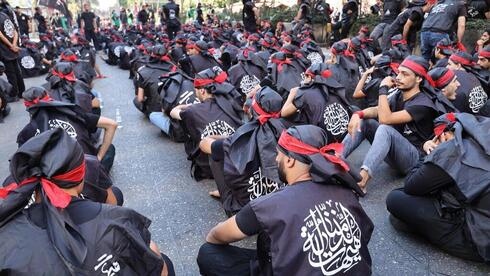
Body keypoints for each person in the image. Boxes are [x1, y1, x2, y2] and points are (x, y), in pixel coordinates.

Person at [197, 125, 374, 275]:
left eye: (278, 154)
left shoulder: (270, 204)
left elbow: (216, 236)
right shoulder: (345, 189)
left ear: (290, 161)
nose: (275, 158)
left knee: (208, 253)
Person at [0, 128, 174, 275]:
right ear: (81, 173)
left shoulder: (6, 231)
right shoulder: (115, 219)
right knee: (161, 259)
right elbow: (159, 269)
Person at [386, 112, 490, 262]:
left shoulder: (452, 150)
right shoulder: (483, 132)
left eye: (438, 139)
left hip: (478, 238)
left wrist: (431, 152)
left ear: (445, 135)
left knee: (395, 198)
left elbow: (411, 185)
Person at [342, 55, 454, 193]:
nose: (398, 77)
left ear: (419, 79)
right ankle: (337, 159)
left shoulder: (423, 104)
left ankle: (362, 181)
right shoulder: (400, 94)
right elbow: (377, 110)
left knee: (385, 129)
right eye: (399, 72)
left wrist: (383, 89)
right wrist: (358, 114)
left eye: (405, 74)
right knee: (366, 121)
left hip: (414, 159)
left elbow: (385, 119)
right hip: (395, 149)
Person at [200, 87, 285, 215]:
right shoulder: (289, 132)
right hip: (280, 201)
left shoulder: (236, 140)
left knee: (215, 152)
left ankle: (226, 192)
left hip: (245, 209)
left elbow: (204, 144)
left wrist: (229, 137)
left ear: (251, 110)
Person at [17, 87, 117, 172]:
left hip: (56, 182)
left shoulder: (26, 133)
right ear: (49, 96)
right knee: (109, 148)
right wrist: (98, 158)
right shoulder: (73, 112)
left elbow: (22, 163)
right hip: (86, 171)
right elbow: (112, 124)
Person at [170, 67, 243, 180]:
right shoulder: (232, 101)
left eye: (196, 90)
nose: (195, 93)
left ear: (202, 91)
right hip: (239, 162)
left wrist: (187, 106)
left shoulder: (192, 110)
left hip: (210, 168)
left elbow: (173, 112)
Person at [282, 62, 353, 142]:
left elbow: (284, 113)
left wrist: (292, 93)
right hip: (344, 136)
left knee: (282, 121)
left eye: (305, 76)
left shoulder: (305, 93)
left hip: (323, 139)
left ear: (309, 77)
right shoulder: (336, 88)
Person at [0, 4, 25, 99]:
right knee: (17, 71)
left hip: (4, 49)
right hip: (12, 48)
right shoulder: (4, 15)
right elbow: (15, 31)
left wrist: (11, 46)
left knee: (11, 73)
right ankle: (22, 91)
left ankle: (14, 94)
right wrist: (14, 45)